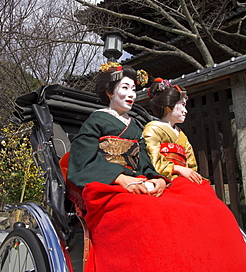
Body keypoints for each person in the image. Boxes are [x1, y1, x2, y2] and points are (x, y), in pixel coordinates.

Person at [68, 67, 246, 272]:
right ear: (110, 92)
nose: (131, 95)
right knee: (144, 214)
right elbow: (83, 160)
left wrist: (159, 179)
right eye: (124, 88)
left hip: (140, 181)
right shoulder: (95, 121)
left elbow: (145, 161)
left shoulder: (134, 126)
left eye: (134, 89)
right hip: (109, 184)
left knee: (189, 204)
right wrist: (120, 178)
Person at [143, 78, 203, 182]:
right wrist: (177, 169)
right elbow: (153, 161)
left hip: (185, 179)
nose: (186, 111)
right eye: (183, 105)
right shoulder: (152, 129)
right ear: (169, 106)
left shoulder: (181, 134)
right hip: (164, 180)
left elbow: (191, 163)